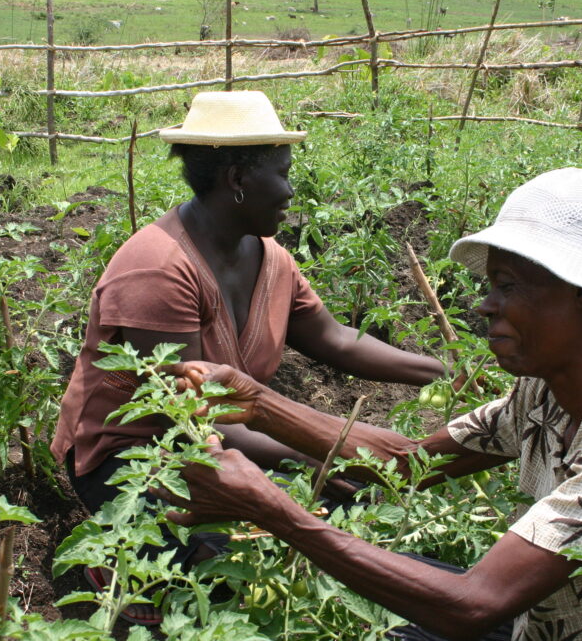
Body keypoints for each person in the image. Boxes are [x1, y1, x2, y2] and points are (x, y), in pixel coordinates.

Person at [164, 168, 582, 640]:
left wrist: (276, 512)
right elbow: (407, 463)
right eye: (491, 285)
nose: (485, 305)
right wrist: (258, 402)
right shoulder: (548, 390)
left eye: (509, 287)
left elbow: (474, 605)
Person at [51, 90, 448, 624]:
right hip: (136, 464)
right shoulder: (157, 268)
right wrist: (320, 455)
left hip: (224, 444)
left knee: (336, 515)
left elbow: (336, 340)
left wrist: (445, 372)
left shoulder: (271, 259)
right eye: (282, 174)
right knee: (231, 562)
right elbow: (196, 418)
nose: (290, 190)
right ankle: (122, 577)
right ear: (237, 178)